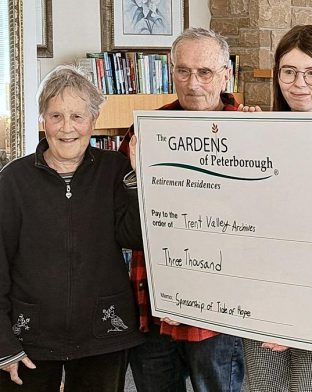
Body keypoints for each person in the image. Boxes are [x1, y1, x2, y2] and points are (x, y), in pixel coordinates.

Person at [0, 65, 143, 391]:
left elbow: (133, 237)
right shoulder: (13, 181)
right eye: (56, 116)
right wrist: (3, 345)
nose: (67, 128)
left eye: (78, 117)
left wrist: (138, 181)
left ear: (93, 120)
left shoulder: (115, 169)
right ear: (42, 120)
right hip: (30, 337)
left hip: (103, 333)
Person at [118, 27, 245, 392]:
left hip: (216, 313)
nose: (192, 83)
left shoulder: (251, 129)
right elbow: (123, 215)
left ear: (225, 74)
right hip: (153, 304)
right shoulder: (145, 131)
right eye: (183, 71)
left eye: (205, 72)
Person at [238, 25, 312, 392]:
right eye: (288, 71)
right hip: (266, 301)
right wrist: (236, 141)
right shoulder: (255, 134)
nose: (298, 83)